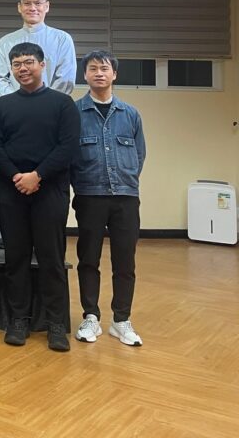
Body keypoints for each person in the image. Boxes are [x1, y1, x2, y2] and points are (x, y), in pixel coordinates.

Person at [0, 42, 80, 352]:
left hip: (50, 191)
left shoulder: (63, 104)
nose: (23, 68)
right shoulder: (3, 105)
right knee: (16, 258)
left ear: (43, 65)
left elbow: (68, 146)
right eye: (17, 64)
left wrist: (37, 176)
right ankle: (18, 320)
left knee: (52, 258)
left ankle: (55, 324)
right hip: (12, 190)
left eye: (28, 62)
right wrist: (17, 176)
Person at [72, 50, 146, 347]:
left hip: (125, 197)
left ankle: (121, 320)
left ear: (114, 74)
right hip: (89, 196)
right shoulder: (74, 112)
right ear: (85, 75)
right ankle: (91, 316)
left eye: (104, 68)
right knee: (88, 259)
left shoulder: (130, 114)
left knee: (125, 262)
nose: (99, 73)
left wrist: (126, 179)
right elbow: (68, 154)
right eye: (93, 69)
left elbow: (139, 155)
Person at [0, 0, 77, 96]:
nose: (32, 8)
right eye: (27, 3)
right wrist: (16, 100)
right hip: (14, 104)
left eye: (38, 3)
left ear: (47, 6)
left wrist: (47, 101)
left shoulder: (62, 39)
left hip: (53, 104)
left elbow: (66, 79)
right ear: (19, 7)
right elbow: (0, 78)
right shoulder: (6, 42)